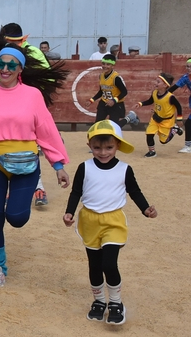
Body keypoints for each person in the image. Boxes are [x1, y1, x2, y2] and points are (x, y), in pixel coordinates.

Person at [0, 45, 70, 286]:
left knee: (17, 218)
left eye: (11, 65)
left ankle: (14, 202)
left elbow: (46, 130)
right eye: (1, 64)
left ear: (20, 69)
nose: (4, 69)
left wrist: (58, 164)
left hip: (26, 164)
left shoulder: (32, 95)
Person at [63, 120, 157, 325]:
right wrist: (69, 212)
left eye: (109, 147)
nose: (103, 152)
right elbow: (76, 192)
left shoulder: (125, 169)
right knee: (95, 265)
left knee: (108, 263)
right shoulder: (84, 167)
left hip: (113, 221)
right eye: (97, 147)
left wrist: (145, 209)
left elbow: (134, 191)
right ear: (90, 146)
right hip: (89, 221)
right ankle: (99, 301)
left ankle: (115, 302)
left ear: (118, 145)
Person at [0, 22, 53, 206]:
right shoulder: (5, 52)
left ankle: (38, 187)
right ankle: (14, 187)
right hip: (8, 104)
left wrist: (31, 95)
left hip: (30, 105)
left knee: (31, 145)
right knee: (9, 143)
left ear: (23, 40)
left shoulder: (34, 53)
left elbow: (49, 79)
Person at [133, 73, 182, 158]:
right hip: (155, 119)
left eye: (158, 82)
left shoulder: (170, 97)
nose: (155, 83)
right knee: (149, 133)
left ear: (165, 85)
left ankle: (175, 130)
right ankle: (152, 152)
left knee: (163, 141)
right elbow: (150, 101)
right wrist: (140, 103)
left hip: (166, 121)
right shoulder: (155, 93)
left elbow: (178, 107)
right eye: (156, 81)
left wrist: (179, 119)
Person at [86, 54, 128, 124]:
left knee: (114, 126)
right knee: (98, 124)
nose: (105, 66)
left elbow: (124, 92)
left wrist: (114, 100)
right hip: (104, 102)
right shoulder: (101, 76)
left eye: (108, 64)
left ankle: (129, 118)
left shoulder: (116, 78)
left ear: (112, 66)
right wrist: (92, 100)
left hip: (116, 104)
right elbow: (102, 91)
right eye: (103, 64)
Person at [168, 59, 191, 153]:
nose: (188, 68)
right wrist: (163, 93)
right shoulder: (186, 77)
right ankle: (188, 146)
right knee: (189, 123)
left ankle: (188, 146)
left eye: (190, 66)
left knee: (189, 123)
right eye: (187, 66)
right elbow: (174, 88)